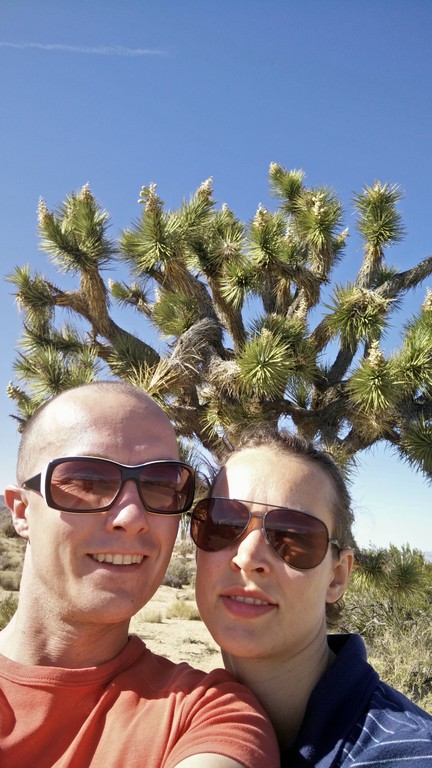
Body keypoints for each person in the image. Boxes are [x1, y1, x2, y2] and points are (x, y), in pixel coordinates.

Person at [0, 382, 279, 768]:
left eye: (161, 485)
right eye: (87, 482)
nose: (132, 517)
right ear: (20, 511)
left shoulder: (202, 714)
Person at [191, 425, 432, 767]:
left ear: (337, 576)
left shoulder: (409, 750)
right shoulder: (172, 712)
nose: (247, 557)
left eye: (294, 536)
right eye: (222, 524)